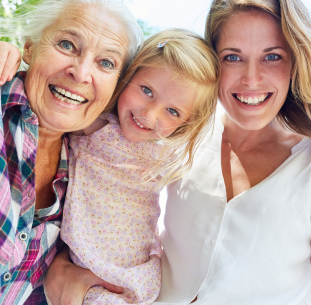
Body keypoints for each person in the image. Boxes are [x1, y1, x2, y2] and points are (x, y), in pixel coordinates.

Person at [153, 0, 311, 304]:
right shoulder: (182, 130)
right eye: (233, 57)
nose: (252, 79)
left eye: (272, 56)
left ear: (295, 62)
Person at [0, 0, 143, 303]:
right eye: (67, 44)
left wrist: (64, 269)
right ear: (29, 47)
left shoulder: (88, 166)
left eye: (106, 63)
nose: (80, 73)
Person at [60, 28, 218, 305]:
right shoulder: (95, 124)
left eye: (172, 111)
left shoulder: (168, 155)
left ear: (186, 124)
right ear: (129, 75)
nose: (149, 114)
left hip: (140, 274)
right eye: (146, 91)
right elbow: (47, 95)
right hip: (91, 266)